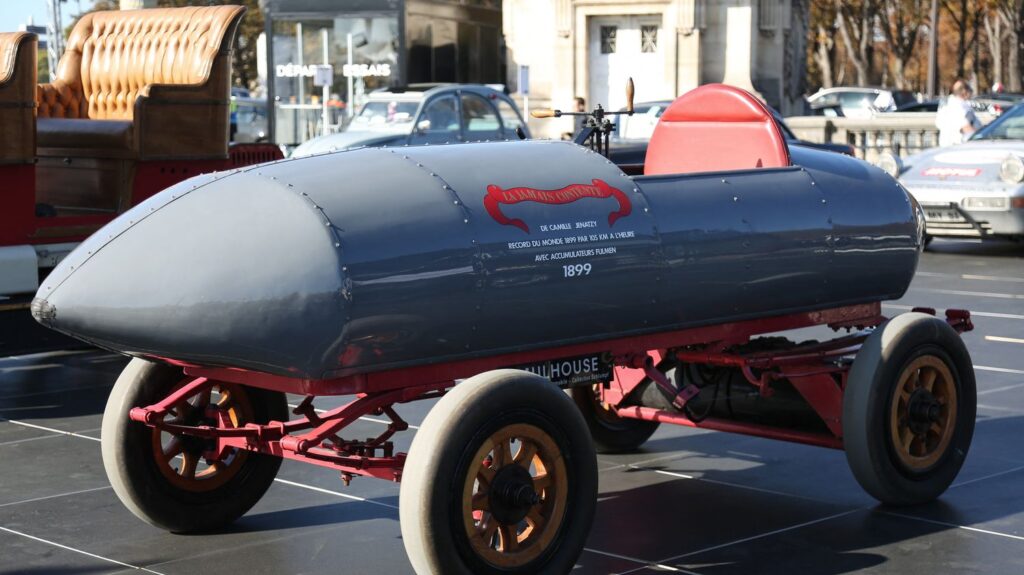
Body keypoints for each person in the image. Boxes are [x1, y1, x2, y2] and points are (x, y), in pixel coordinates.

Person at [936, 79, 981, 146]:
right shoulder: (960, 107)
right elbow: (966, 127)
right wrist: (982, 135)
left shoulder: (946, 106)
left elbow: (938, 124)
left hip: (947, 145)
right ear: (965, 92)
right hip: (960, 146)